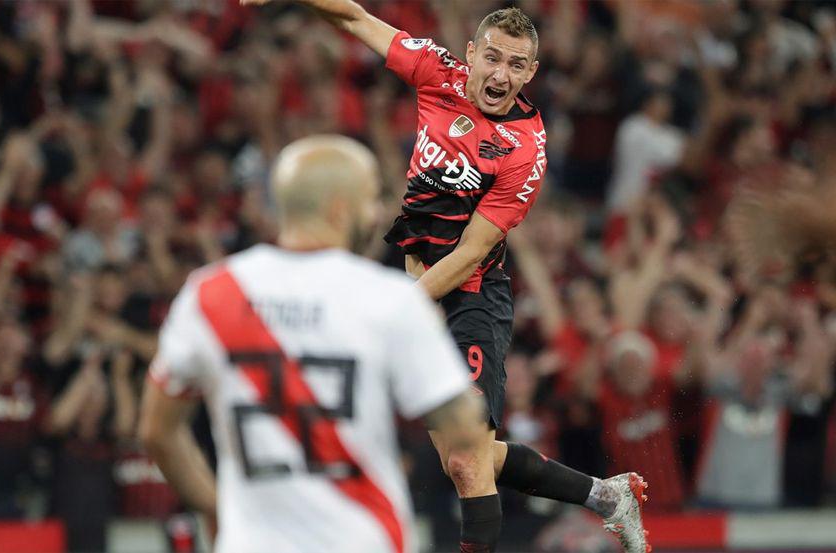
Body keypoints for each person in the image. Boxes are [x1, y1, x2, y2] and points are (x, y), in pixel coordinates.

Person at [239, 2, 649, 552]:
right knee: (466, 456)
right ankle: (605, 495)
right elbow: (357, 20)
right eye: (494, 58)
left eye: (517, 65)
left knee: (466, 461)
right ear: (473, 55)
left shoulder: (525, 148)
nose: (501, 75)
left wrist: (399, 307)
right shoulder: (437, 73)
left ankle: (601, 497)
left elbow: (470, 254)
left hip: (469, 298)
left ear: (531, 72)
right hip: (410, 275)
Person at [138, 135, 485, 553]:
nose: (378, 213)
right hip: (363, 538)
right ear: (341, 207)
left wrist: (217, 508)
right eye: (373, 199)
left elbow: (157, 432)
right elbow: (464, 429)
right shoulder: (390, 299)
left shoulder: (210, 294)